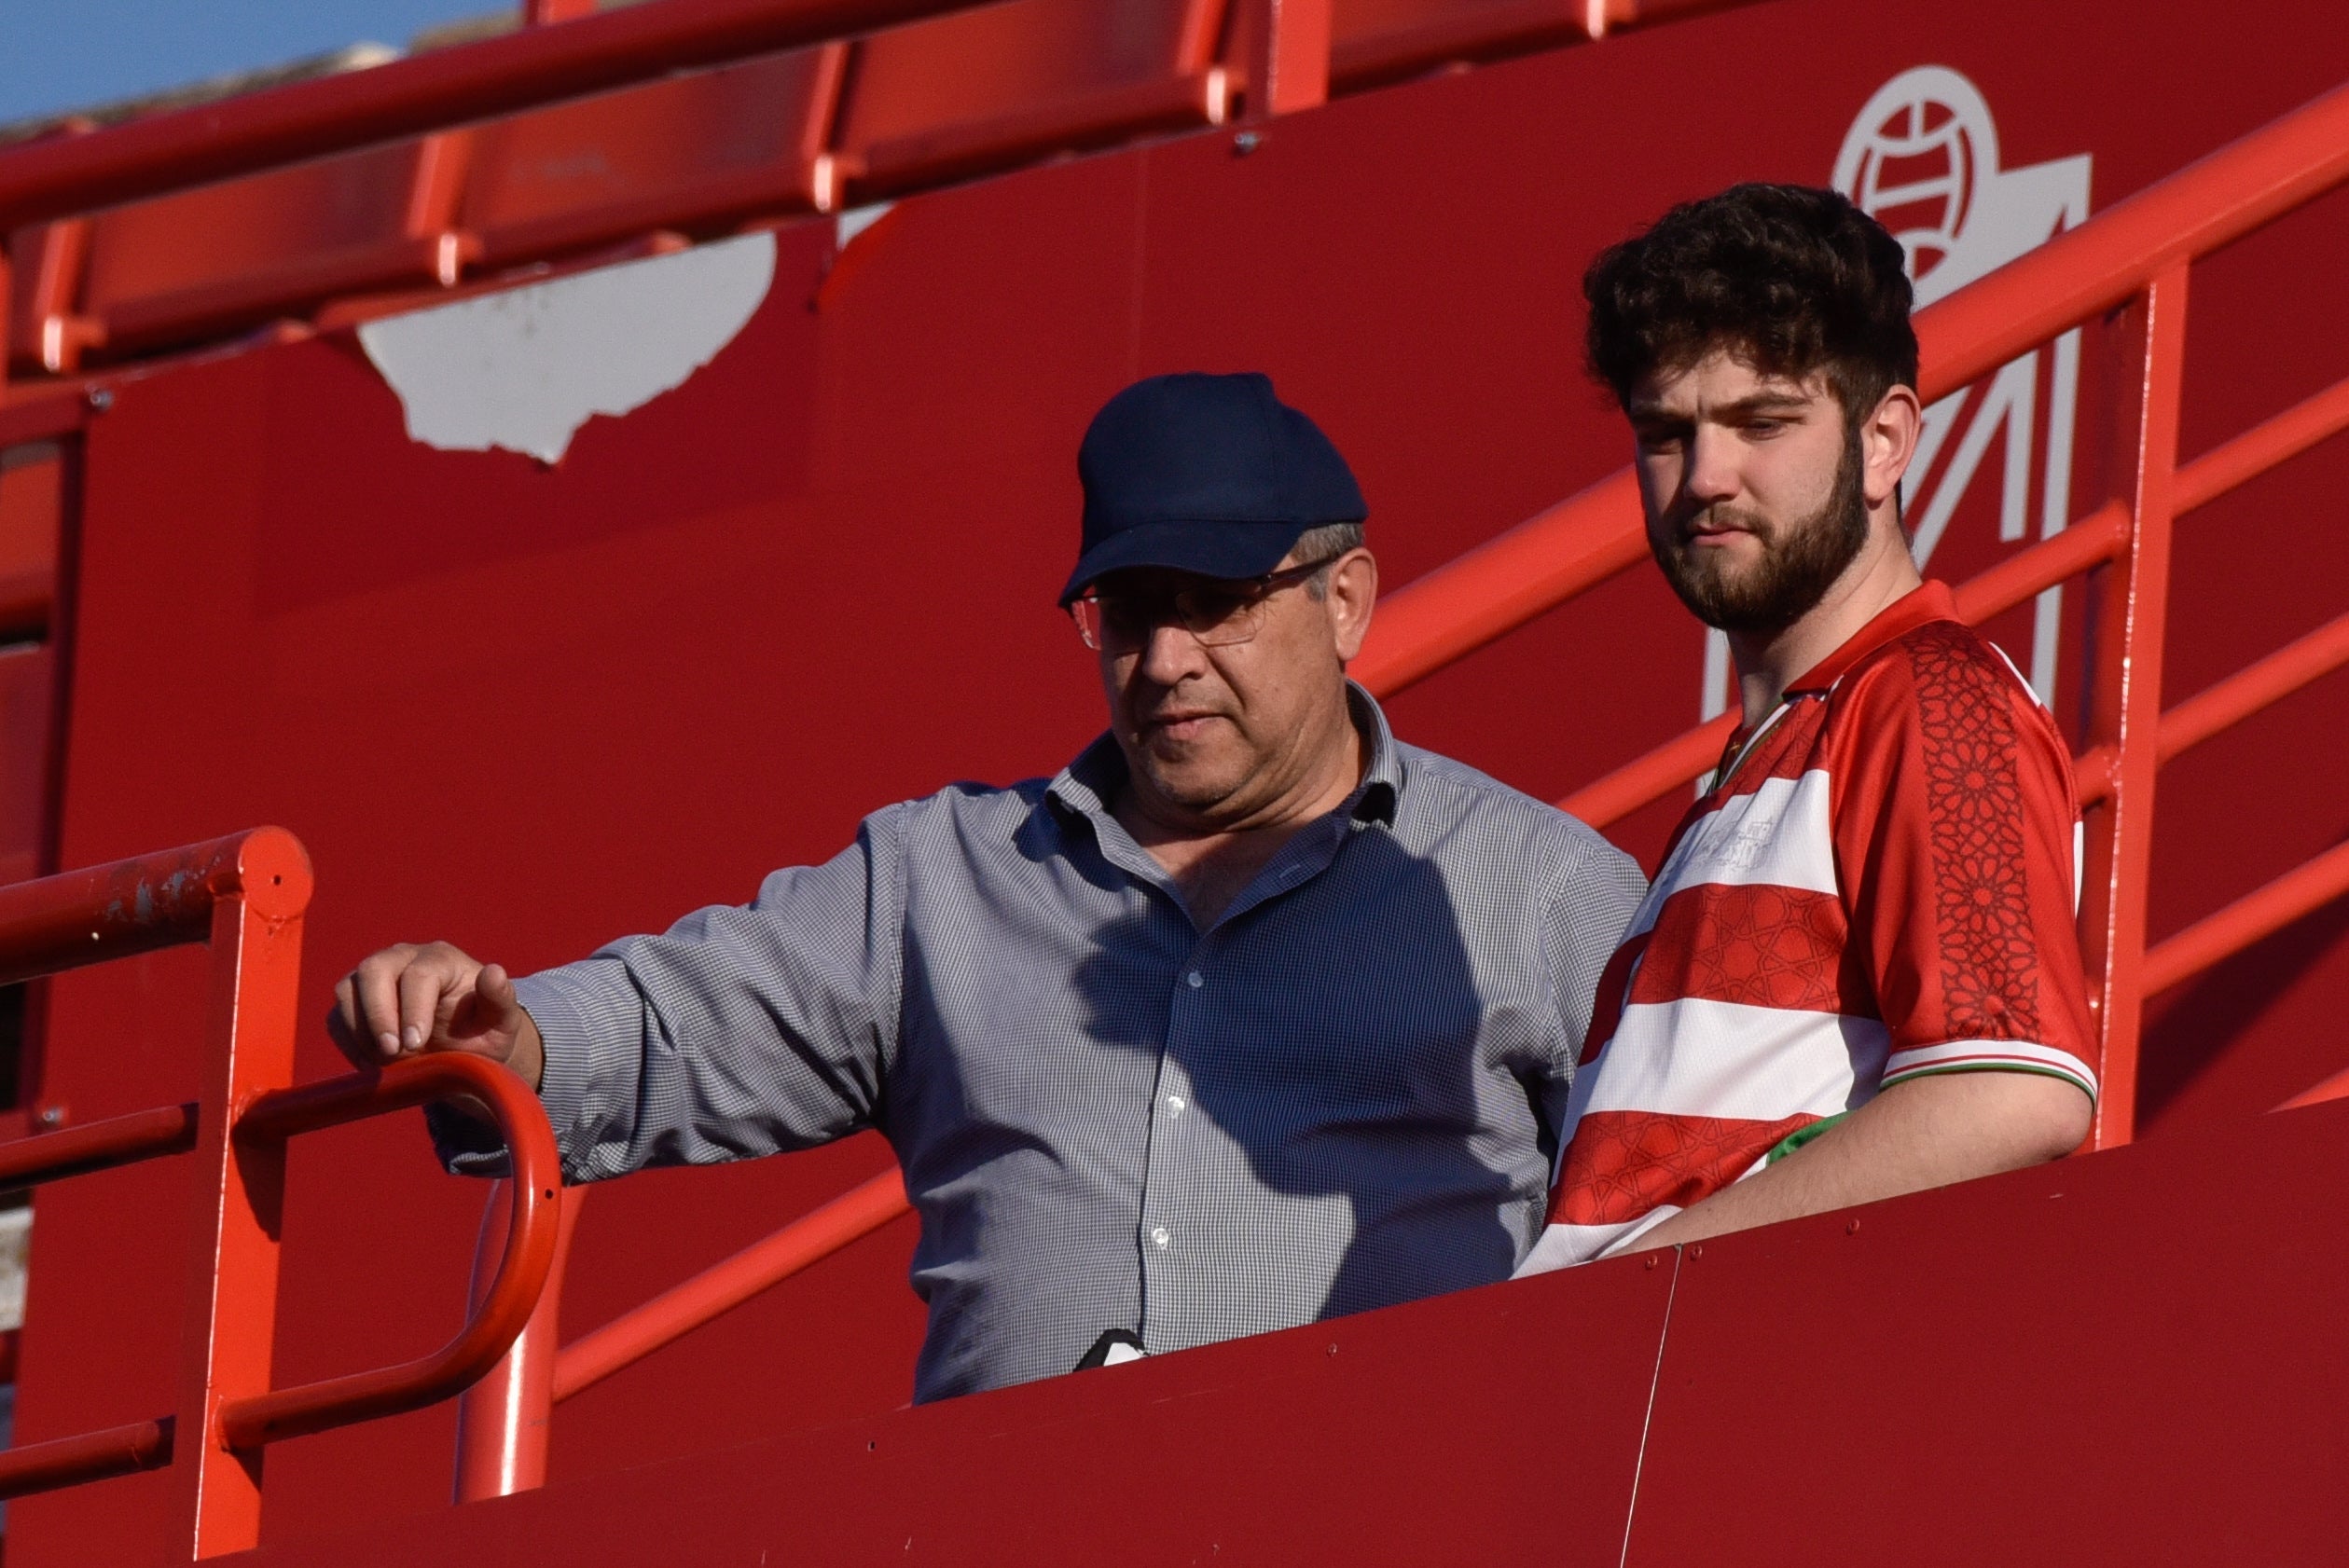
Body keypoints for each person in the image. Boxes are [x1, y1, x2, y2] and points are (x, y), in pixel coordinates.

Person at [332, 371, 1646, 1399]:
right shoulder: (939, 879)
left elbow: (1693, 1212)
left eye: (1217, 602)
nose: (1167, 658)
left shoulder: (1537, 890)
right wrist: (508, 1037)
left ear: (1346, 599)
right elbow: (691, 1012)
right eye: (1127, 611)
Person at [1517, 186, 2096, 1274]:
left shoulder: (1929, 697)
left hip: (1722, 1402)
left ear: (1884, 440)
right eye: (1664, 433)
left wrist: (1613, 1301)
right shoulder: (1790, 741)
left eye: (1763, 421)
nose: (1704, 478)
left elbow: (2007, 1089)